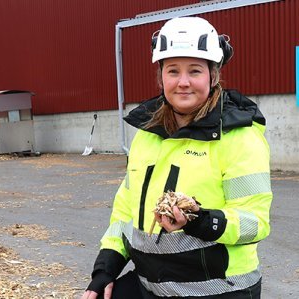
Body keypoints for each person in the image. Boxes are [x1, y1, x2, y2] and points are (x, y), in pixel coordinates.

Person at [82, 16, 272, 299]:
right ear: (161, 77)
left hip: (218, 289)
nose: (183, 82)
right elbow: (126, 211)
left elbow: (255, 223)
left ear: (213, 75)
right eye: (173, 71)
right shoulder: (147, 134)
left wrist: (200, 220)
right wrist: (105, 270)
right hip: (154, 285)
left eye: (195, 71)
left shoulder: (239, 138)